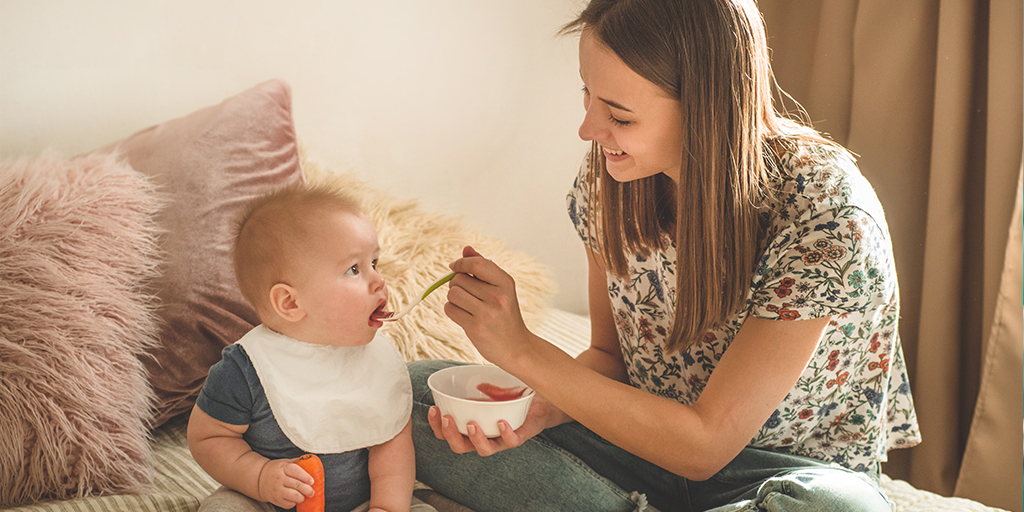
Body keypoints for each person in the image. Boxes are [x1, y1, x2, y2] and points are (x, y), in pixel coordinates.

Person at [408, 0, 921, 511]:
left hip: (778, 475)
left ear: (707, 106)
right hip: (634, 449)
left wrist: (522, 351)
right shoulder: (611, 180)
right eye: (587, 93)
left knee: (838, 508)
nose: (588, 129)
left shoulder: (823, 210)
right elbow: (609, 361)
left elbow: (704, 447)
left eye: (619, 115)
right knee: (407, 394)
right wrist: (540, 408)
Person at [187, 183, 431, 512]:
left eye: (375, 263)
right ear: (290, 302)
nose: (379, 281)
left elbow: (391, 445)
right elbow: (208, 438)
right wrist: (258, 476)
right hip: (265, 502)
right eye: (354, 270)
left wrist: (386, 507)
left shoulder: (377, 362)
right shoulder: (246, 369)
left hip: (362, 503)